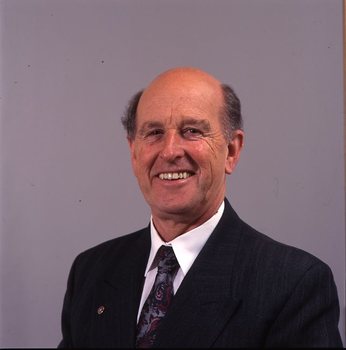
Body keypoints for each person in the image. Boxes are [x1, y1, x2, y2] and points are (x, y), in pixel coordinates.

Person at [58, 67, 343, 348]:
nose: (169, 151)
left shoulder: (292, 284)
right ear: (134, 153)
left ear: (231, 151)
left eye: (192, 131)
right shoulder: (91, 271)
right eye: (154, 132)